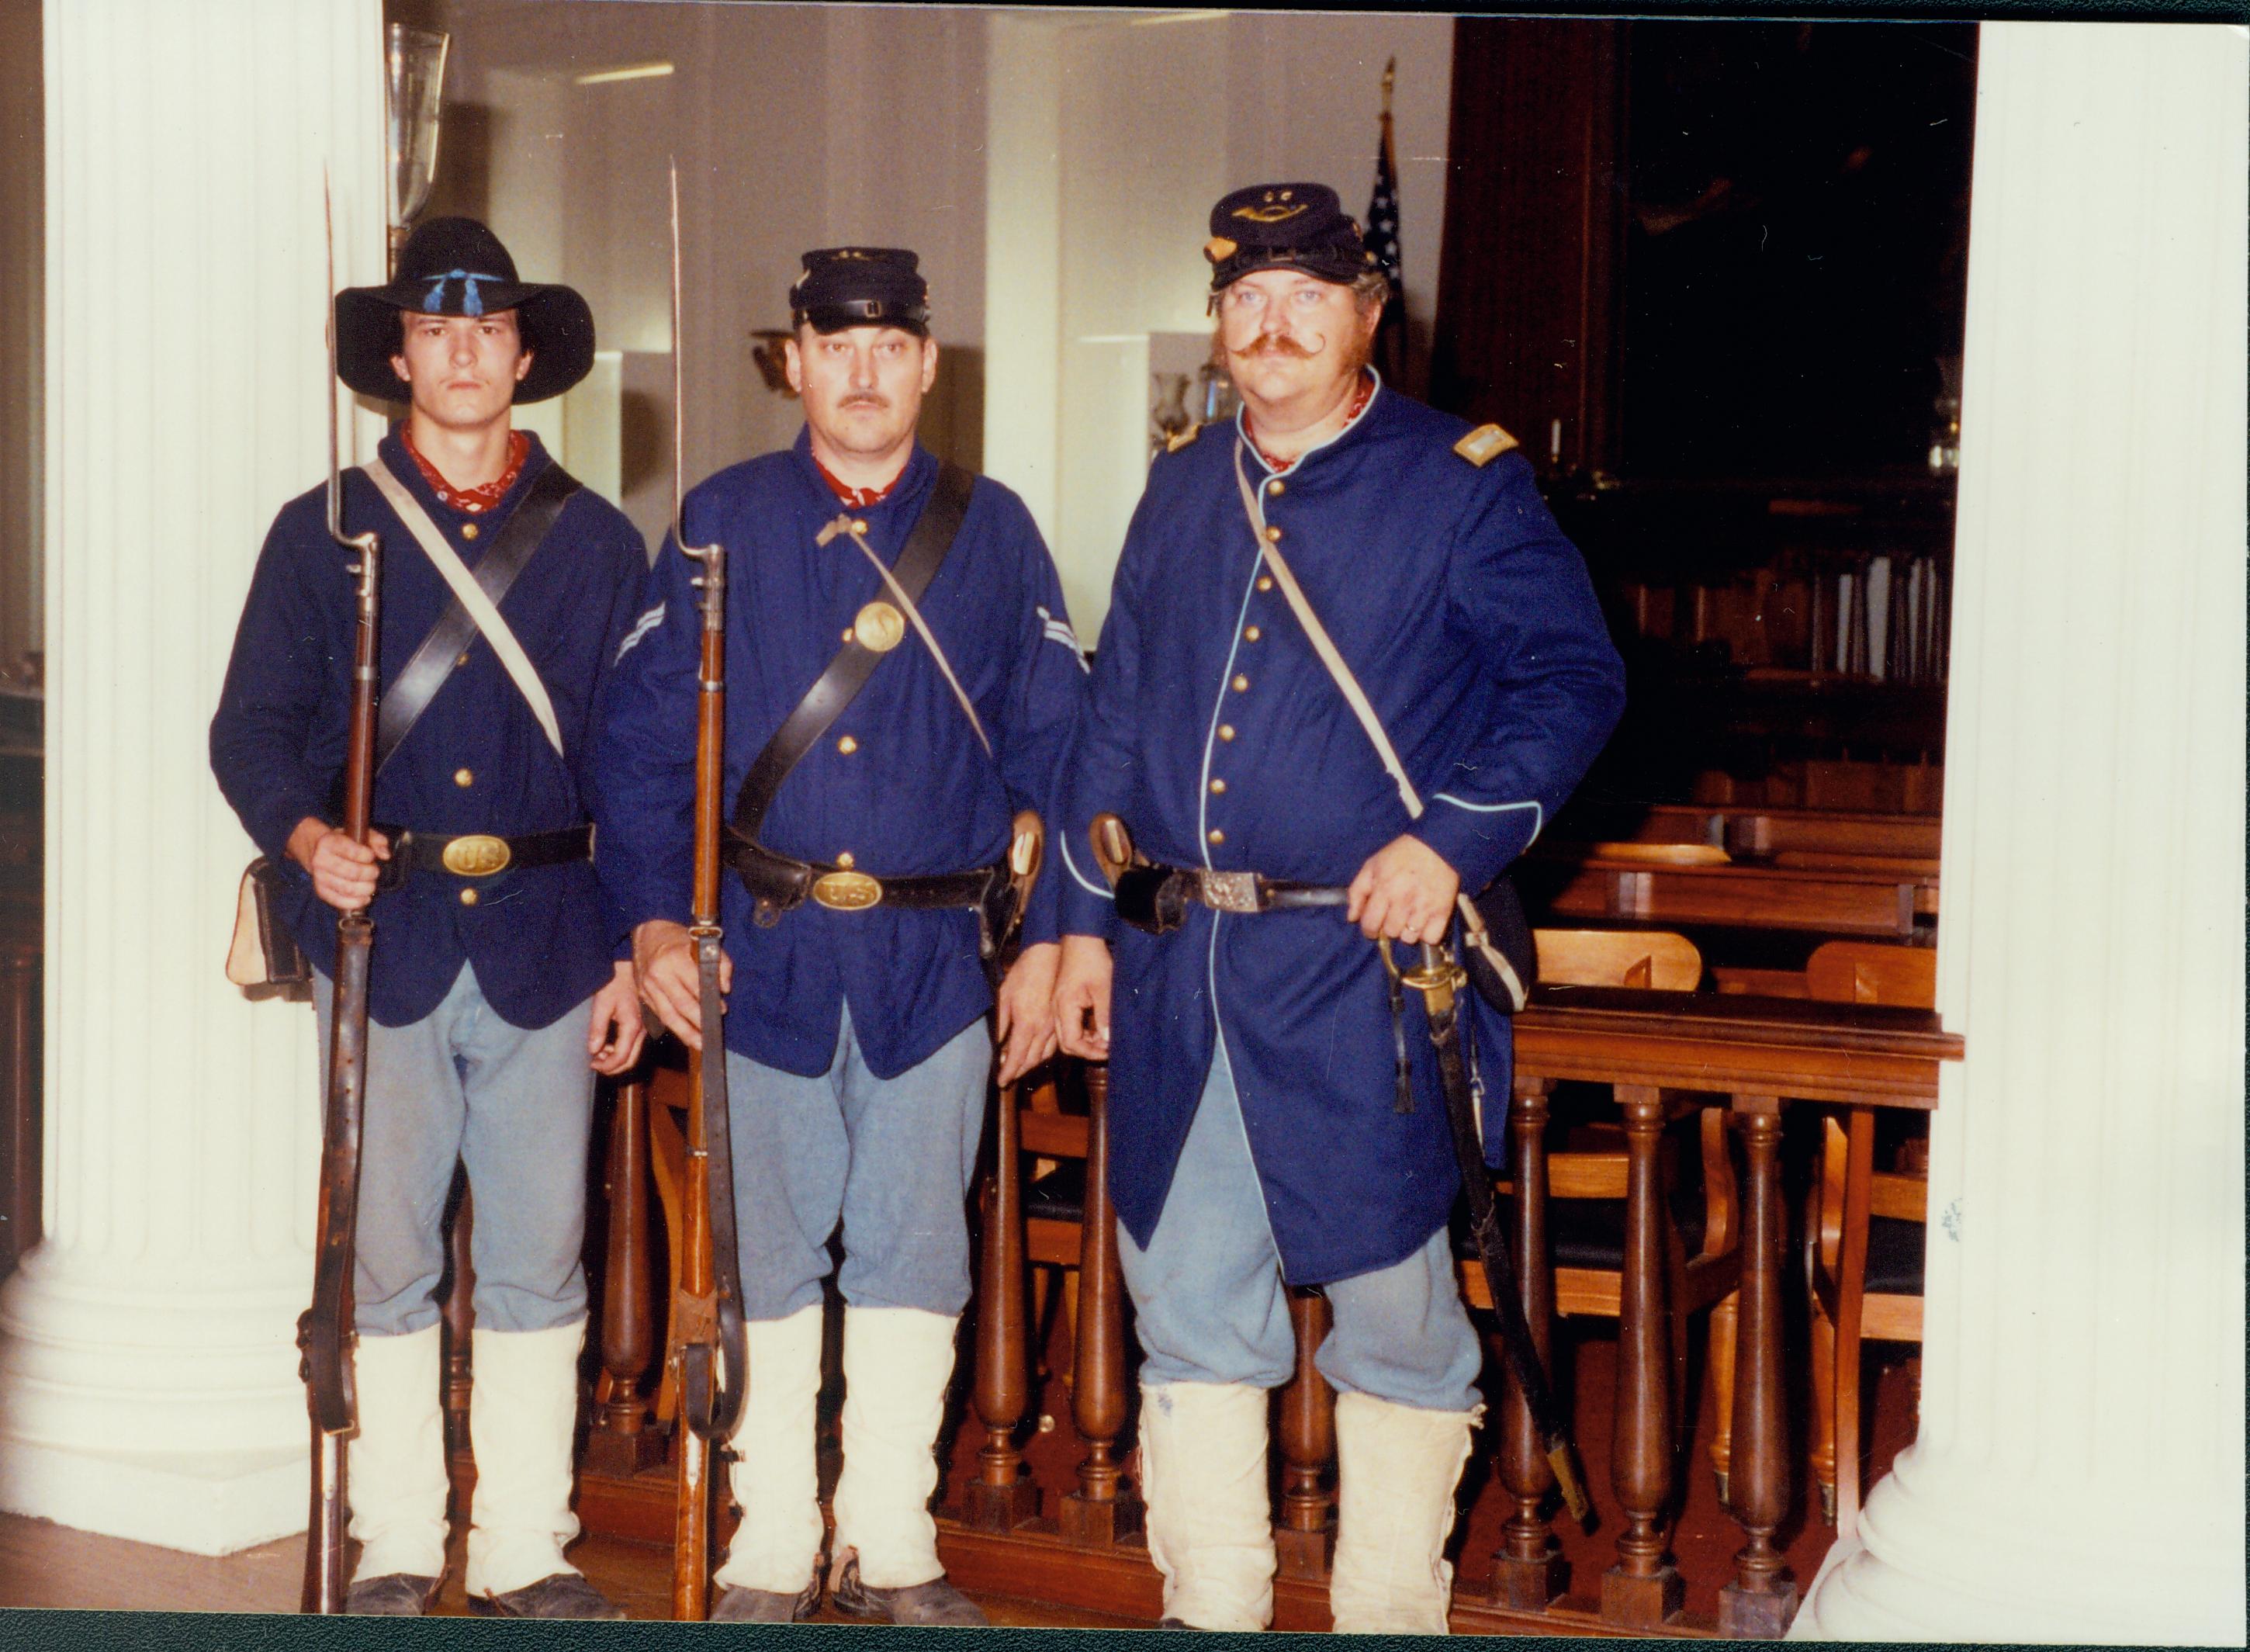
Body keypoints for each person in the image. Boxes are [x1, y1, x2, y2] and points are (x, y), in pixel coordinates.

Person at [1051, 182, 1626, 1634]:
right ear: (1220, 320)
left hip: (1370, 980)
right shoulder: (1185, 482)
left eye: (1308, 297)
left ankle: (1386, 1615)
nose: (1274, 325)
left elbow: (1574, 680)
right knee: (1184, 1304)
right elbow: (1117, 710)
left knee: (1398, 1323)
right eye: (1246, 299)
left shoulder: (1459, 479)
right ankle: (1216, 1611)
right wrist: (1078, 921)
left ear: (1370, 315)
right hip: (1187, 972)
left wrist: (1449, 840)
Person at [597, 246, 1088, 1626]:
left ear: (929, 364)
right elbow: (638, 749)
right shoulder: (718, 518)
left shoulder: (997, 532)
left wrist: (1047, 940)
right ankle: (768, 1540)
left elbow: (1064, 744)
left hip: (937, 967)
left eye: (891, 347)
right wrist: (647, 918)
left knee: (916, 1250)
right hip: (764, 956)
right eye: (835, 345)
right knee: (767, 1253)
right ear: (793, 362)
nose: (863, 371)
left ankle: (889, 1537)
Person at [209, 218, 648, 1619]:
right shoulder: (322, 527)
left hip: (552, 937)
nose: (464, 352)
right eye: (436, 329)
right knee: (387, 1255)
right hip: (381, 934)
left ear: (526, 354)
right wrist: (308, 839)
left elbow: (637, 767)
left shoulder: (594, 539)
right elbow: (250, 729)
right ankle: (397, 1535)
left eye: (490, 328)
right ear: (398, 353)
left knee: (538, 1253)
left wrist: (636, 944)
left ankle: (526, 1540)